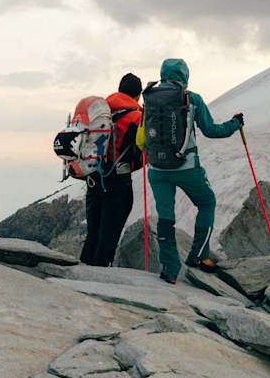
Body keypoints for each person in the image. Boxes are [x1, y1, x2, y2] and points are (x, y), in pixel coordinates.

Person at [136, 58, 243, 284]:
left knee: (166, 217)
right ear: (185, 76)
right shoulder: (191, 98)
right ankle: (199, 255)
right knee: (207, 203)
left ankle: (169, 268)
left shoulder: (150, 98)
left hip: (156, 169)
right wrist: (235, 124)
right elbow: (212, 131)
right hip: (185, 167)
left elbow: (143, 135)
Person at [80, 73, 144, 267]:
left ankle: (82, 271)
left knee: (94, 230)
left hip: (93, 175)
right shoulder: (137, 117)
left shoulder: (101, 112)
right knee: (109, 232)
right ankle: (100, 275)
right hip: (118, 179)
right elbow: (140, 150)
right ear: (138, 95)